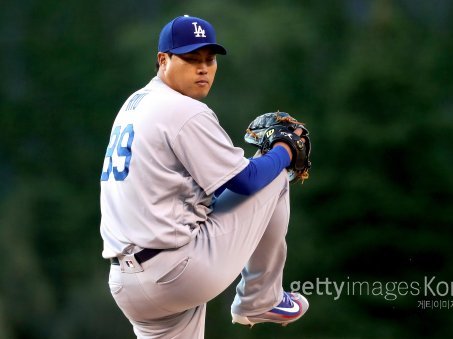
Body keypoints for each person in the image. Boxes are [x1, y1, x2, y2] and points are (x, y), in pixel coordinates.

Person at [99, 14, 309, 338]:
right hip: (175, 272)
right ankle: (260, 299)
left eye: (209, 59)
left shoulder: (134, 103)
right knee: (275, 176)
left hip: (127, 285)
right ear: (162, 60)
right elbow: (246, 181)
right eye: (190, 58)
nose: (203, 68)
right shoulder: (183, 110)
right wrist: (284, 150)